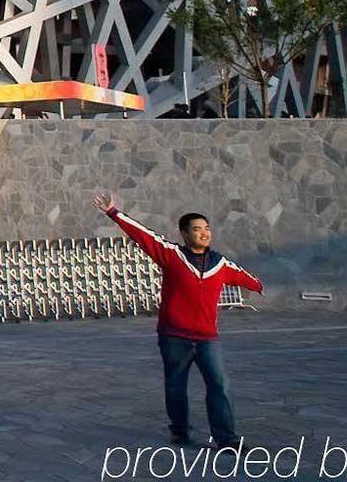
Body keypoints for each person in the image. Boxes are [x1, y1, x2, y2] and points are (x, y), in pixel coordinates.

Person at [93, 192, 263, 448]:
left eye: (207, 228)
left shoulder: (221, 264)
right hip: (174, 336)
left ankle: (226, 438)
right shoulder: (172, 256)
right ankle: (179, 431)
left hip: (207, 339)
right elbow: (144, 235)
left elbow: (244, 277)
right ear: (185, 234)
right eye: (197, 229)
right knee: (176, 386)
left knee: (219, 385)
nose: (204, 233)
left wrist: (257, 285)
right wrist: (114, 212)